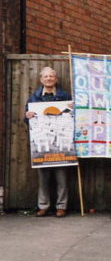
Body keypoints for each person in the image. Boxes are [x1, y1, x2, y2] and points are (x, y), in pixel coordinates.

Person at [25, 67, 71, 218]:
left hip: (60, 142)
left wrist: (72, 109)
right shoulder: (34, 97)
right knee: (43, 178)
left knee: (61, 178)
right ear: (41, 80)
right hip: (43, 142)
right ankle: (43, 206)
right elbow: (28, 119)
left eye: (51, 76)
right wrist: (28, 115)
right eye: (46, 76)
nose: (49, 79)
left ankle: (61, 207)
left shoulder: (65, 96)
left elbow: (72, 117)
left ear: (56, 79)